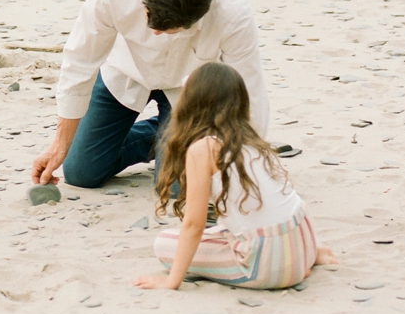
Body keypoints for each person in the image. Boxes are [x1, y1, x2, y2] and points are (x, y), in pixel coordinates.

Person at [31, 0, 268, 190]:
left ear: (196, 19)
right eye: (148, 18)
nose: (154, 33)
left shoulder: (232, 13)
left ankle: (180, 132)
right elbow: (79, 61)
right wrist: (58, 146)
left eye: (167, 30)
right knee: (80, 172)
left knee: (175, 188)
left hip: (187, 90)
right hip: (124, 73)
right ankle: (164, 133)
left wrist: (247, 162)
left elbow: (248, 90)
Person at [132, 62, 335, 289]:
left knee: (165, 244)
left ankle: (287, 266)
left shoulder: (203, 149)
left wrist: (172, 281)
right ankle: (310, 256)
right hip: (304, 238)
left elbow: (194, 224)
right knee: (225, 229)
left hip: (268, 264)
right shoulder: (251, 138)